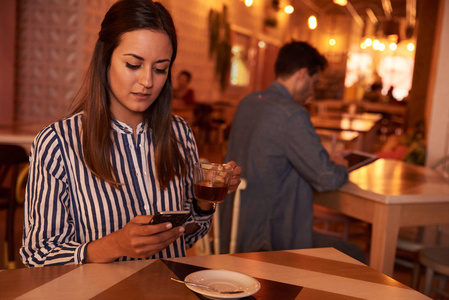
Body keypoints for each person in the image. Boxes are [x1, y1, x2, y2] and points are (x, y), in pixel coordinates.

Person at [20, 0, 241, 267]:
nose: (148, 81)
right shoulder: (58, 143)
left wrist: (204, 203)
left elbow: (189, 237)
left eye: (160, 69)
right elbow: (38, 255)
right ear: (106, 59)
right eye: (133, 65)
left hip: (165, 290)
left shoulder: (179, 134)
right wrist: (114, 245)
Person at [218, 41, 365, 262]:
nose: (312, 93)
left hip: (234, 231)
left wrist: (321, 160)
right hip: (271, 240)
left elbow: (273, 155)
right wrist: (340, 166)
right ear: (302, 75)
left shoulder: (248, 102)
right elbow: (327, 178)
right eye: (314, 83)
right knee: (355, 254)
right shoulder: (292, 114)